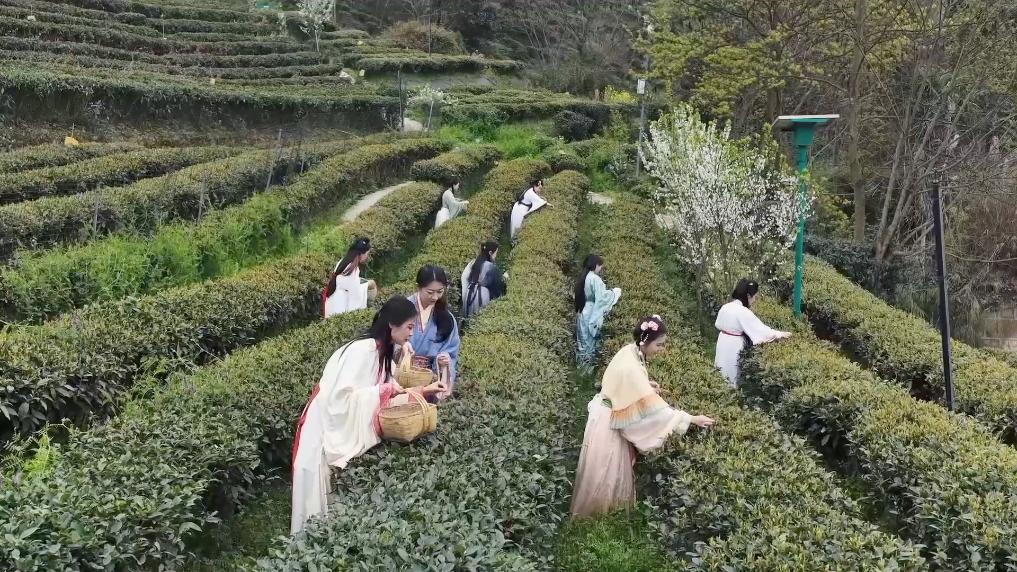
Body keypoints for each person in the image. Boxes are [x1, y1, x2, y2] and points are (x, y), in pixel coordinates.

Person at [291, 297, 448, 534]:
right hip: (323, 425)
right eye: (409, 327)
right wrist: (384, 390)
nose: (411, 333)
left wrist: (424, 390)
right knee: (317, 493)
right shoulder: (362, 351)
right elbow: (340, 400)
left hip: (335, 422)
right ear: (392, 325)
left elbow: (390, 392)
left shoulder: (383, 352)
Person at [571, 315, 716, 518]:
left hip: (605, 415)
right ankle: (600, 520)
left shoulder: (629, 351)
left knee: (602, 477)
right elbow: (656, 414)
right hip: (608, 425)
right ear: (645, 342)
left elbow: (626, 385)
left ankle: (602, 520)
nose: (661, 349)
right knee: (606, 478)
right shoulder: (631, 366)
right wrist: (690, 418)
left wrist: (645, 386)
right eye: (659, 345)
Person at [714, 278, 791, 387]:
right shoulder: (743, 312)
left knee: (720, 370)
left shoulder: (726, 307)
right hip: (733, 345)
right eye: (754, 297)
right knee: (731, 374)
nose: (754, 300)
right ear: (748, 296)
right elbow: (761, 330)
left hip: (722, 341)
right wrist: (779, 334)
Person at [408, 265, 461, 399]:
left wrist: (443, 359)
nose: (435, 297)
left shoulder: (446, 318)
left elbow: (451, 349)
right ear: (418, 287)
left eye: (440, 292)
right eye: (430, 292)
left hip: (430, 381)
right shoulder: (403, 308)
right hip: (403, 376)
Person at [576, 254, 621, 372]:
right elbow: (601, 298)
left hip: (584, 310)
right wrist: (614, 293)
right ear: (596, 265)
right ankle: (588, 371)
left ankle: (581, 369)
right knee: (590, 341)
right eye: (600, 266)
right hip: (592, 311)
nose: (600, 269)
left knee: (583, 340)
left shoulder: (584, 276)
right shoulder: (594, 278)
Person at [322, 237, 377, 318]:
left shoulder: (343, 261)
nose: (367, 256)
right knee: (372, 284)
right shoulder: (352, 269)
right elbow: (356, 294)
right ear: (361, 254)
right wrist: (367, 285)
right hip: (340, 308)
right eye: (367, 254)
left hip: (332, 302)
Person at [460, 240, 508, 318]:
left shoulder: (473, 263)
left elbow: (464, 280)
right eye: (496, 253)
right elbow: (499, 288)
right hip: (482, 296)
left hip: (469, 295)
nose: (496, 256)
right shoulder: (490, 267)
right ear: (490, 253)